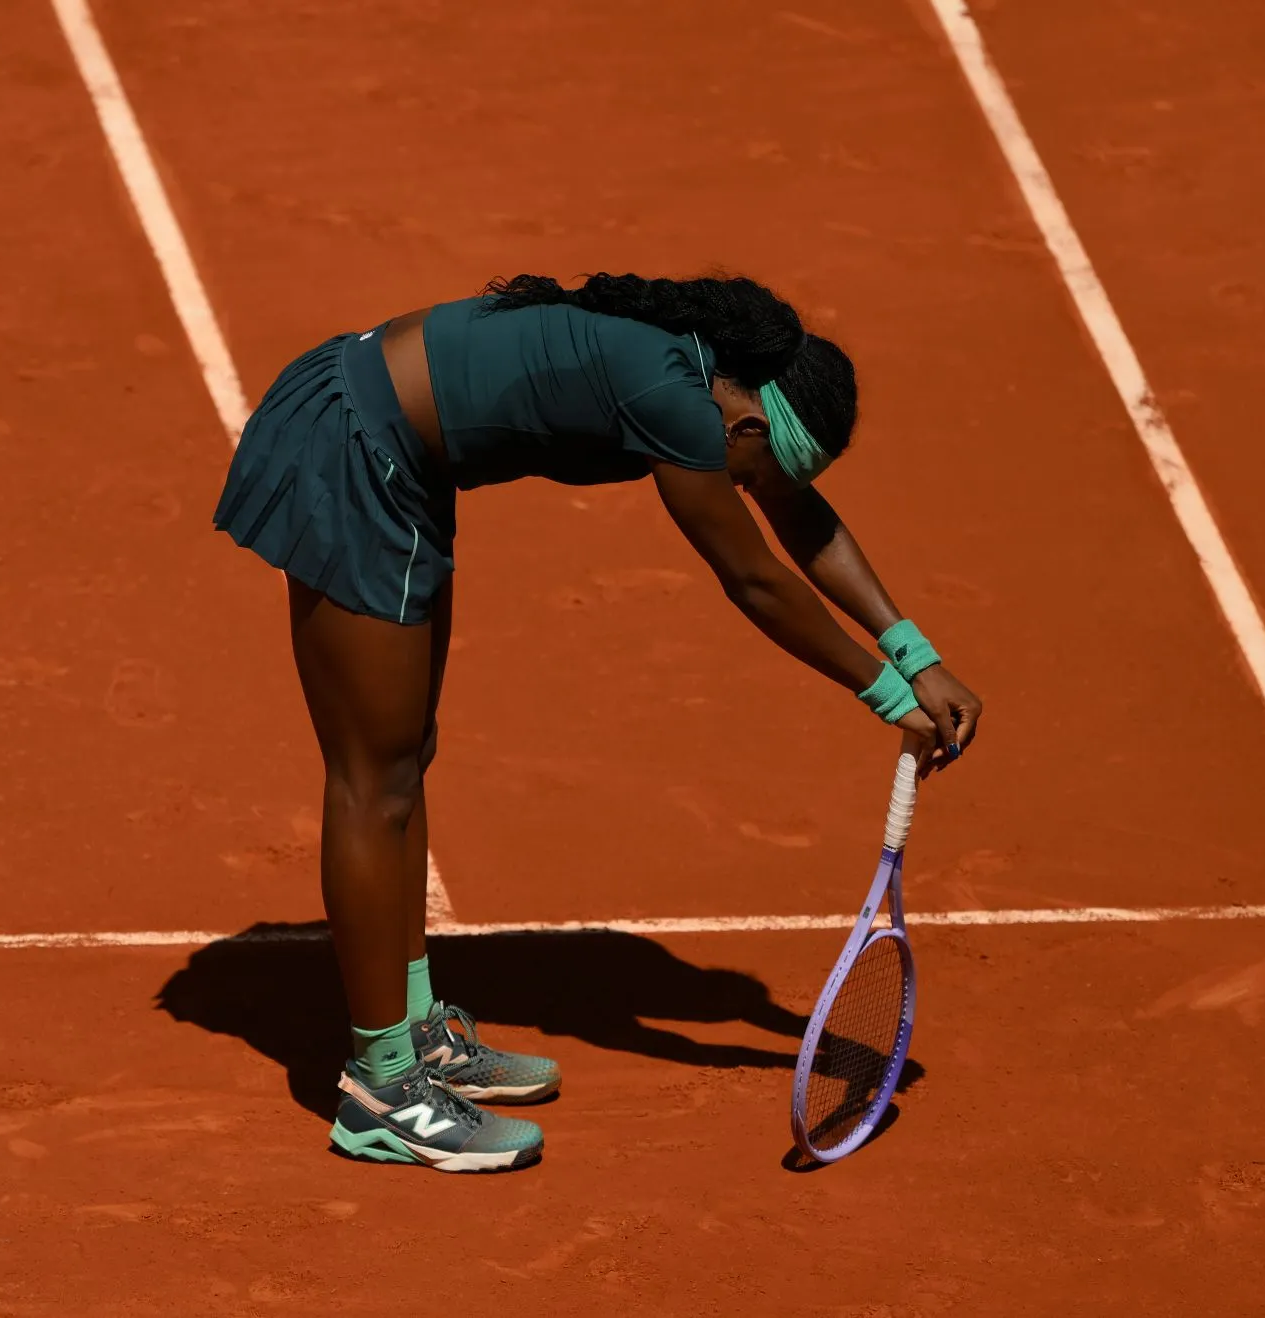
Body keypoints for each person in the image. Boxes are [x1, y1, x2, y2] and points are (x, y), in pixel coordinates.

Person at [213, 273, 983, 1172]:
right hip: (351, 451)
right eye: (753, 473)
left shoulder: (706, 377)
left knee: (405, 753)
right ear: (745, 431)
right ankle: (382, 1089)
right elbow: (756, 576)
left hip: (394, 454)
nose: (751, 490)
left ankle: (417, 1035)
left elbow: (797, 518)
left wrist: (914, 650)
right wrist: (888, 694)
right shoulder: (676, 400)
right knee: (370, 775)